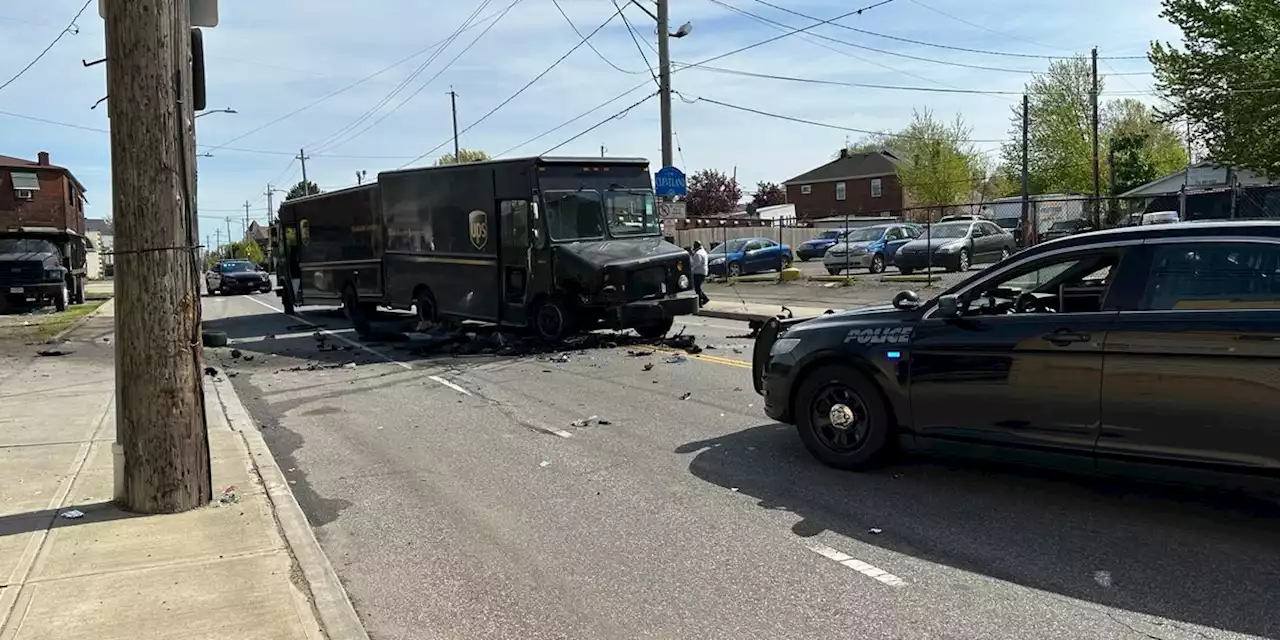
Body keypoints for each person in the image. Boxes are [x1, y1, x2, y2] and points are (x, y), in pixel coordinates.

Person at [691, 240, 709, 306]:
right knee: (698, 287)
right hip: (704, 271)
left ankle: (701, 302)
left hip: (698, 272)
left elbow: (696, 264)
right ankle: (704, 299)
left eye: (694, 245)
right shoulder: (703, 252)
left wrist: (691, 269)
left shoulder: (698, 254)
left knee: (697, 288)